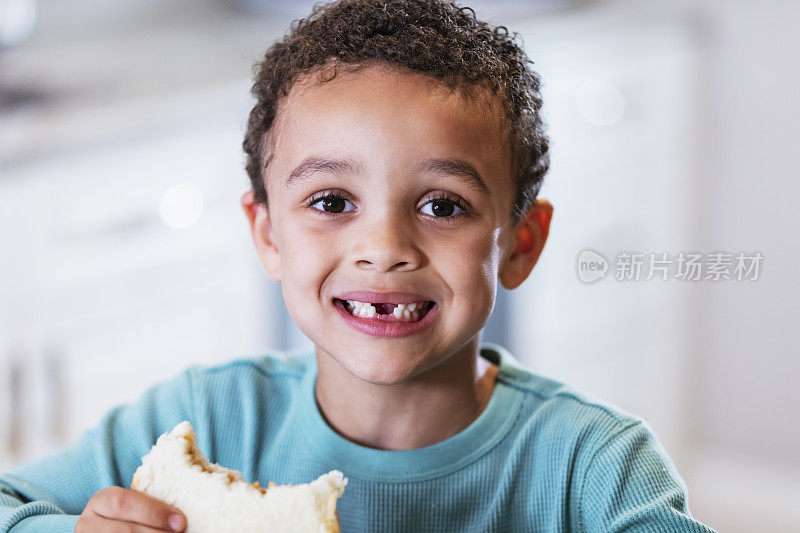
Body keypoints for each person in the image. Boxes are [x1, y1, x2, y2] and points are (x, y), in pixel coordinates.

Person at [0, 0, 716, 531]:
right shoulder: (207, 418)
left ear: (520, 242)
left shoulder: (594, 471)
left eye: (442, 205)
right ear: (269, 235)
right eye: (333, 199)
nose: (384, 247)